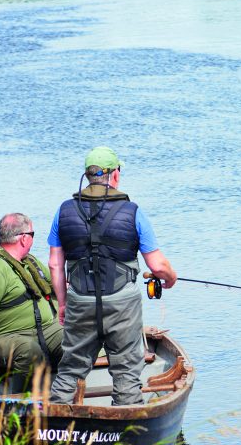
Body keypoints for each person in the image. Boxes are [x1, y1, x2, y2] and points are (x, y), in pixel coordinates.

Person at [47, 146, 177, 406]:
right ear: (114, 175)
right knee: (127, 370)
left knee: (71, 368)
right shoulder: (133, 211)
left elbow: (54, 264)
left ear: (87, 176)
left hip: (80, 301)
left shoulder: (63, 211)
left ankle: (56, 423)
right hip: (122, 305)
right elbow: (158, 265)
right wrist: (170, 278)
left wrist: (63, 303)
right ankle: (128, 433)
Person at [0, 213, 63, 393]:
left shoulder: (30, 262)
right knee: (30, 353)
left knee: (78, 340)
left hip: (45, 329)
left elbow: (57, 286)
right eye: (33, 234)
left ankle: (64, 391)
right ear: (24, 238)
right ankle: (19, 400)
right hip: (7, 335)